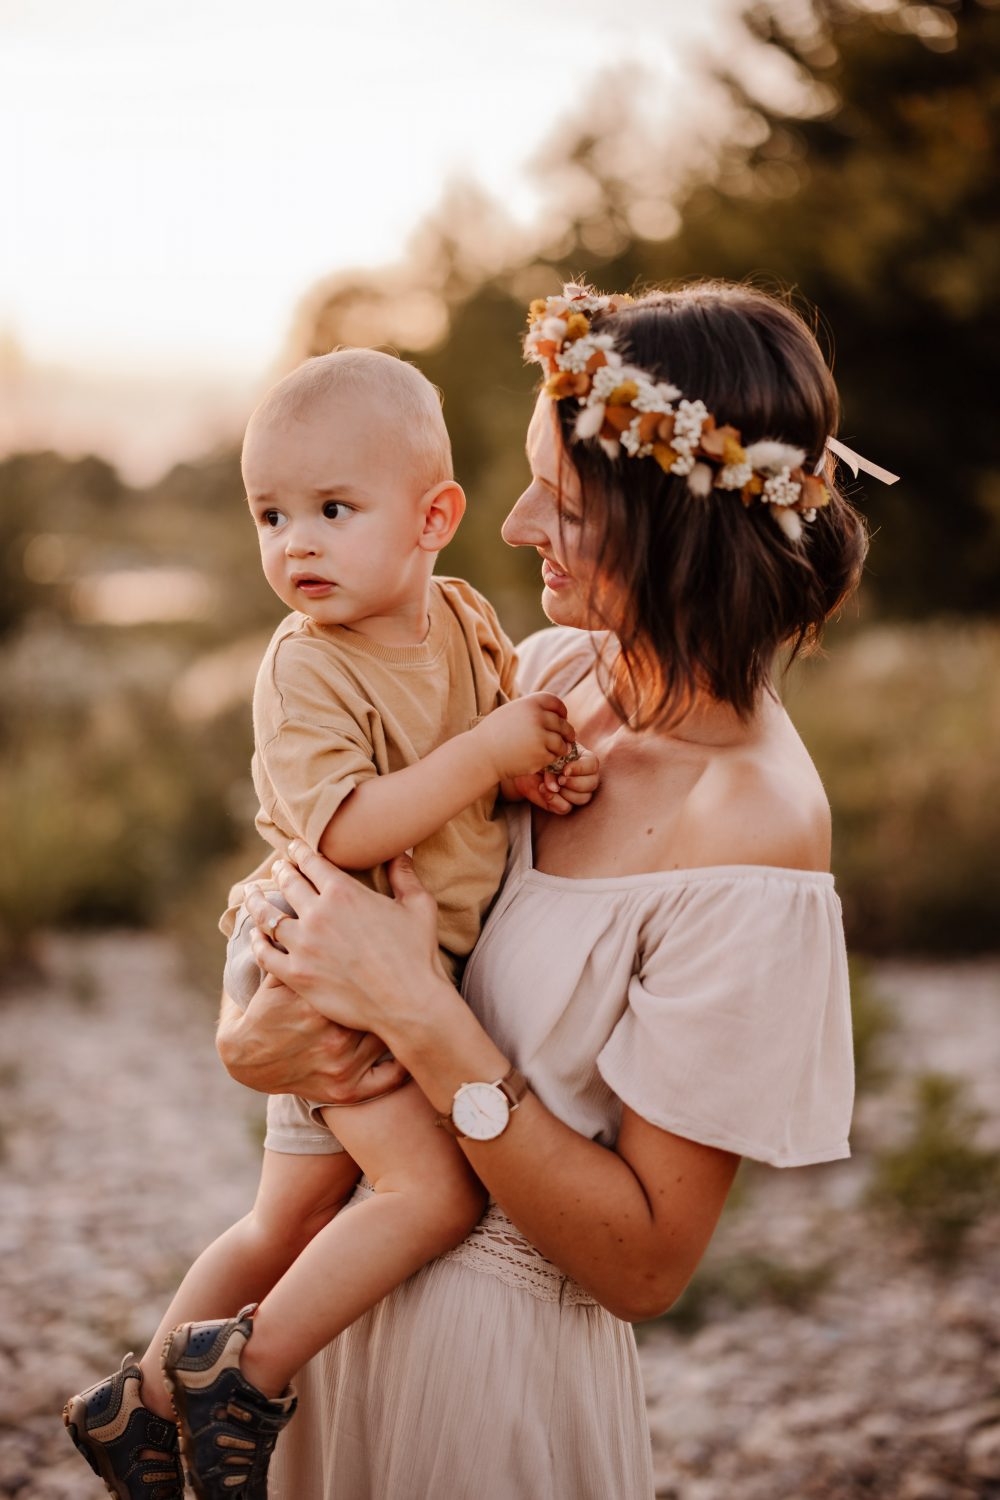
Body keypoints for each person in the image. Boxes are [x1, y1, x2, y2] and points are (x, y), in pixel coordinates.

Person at [220, 280, 877, 1500]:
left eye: (562, 504)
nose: (517, 526)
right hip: (334, 1319)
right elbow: (342, 859)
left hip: (489, 1385)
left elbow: (643, 1266)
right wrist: (261, 1021)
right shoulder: (549, 676)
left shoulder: (750, 824)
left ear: (675, 527)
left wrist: (417, 1014)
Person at [62, 347, 599, 1500]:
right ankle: (237, 1379)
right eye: (270, 516)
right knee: (432, 1195)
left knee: (290, 1214)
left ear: (433, 518)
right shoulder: (303, 669)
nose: (294, 544)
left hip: (383, 964)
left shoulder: (462, 618)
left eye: (332, 511)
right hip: (322, 963)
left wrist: (530, 775)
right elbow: (345, 827)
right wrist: (487, 756)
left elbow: (484, 754)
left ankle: (136, 1405)